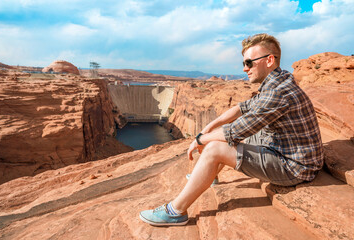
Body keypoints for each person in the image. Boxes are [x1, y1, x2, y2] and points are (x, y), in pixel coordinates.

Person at [139, 33, 324, 226]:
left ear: (269, 60)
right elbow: (244, 107)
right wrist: (210, 127)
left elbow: (234, 132)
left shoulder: (278, 92)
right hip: (286, 150)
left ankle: (175, 211)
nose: (245, 68)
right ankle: (208, 176)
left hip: (294, 167)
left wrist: (201, 139)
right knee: (223, 134)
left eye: (249, 63)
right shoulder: (279, 79)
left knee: (214, 147)